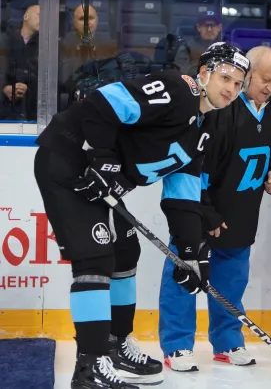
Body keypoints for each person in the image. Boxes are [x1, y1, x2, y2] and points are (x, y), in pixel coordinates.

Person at [33, 42, 250, 389]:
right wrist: (101, 157)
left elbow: (182, 199)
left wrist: (191, 255)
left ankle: (116, 345)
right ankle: (89, 369)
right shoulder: (177, 90)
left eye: (239, 84)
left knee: (125, 252)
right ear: (205, 72)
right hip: (67, 162)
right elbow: (104, 102)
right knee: (95, 258)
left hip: (97, 181)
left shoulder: (202, 130)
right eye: (226, 77)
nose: (231, 89)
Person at [159, 46, 271, 371]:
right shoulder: (221, 111)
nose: (270, 87)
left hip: (242, 214)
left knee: (232, 281)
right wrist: (207, 213)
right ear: (247, 77)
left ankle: (228, 342)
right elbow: (196, 168)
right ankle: (176, 346)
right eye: (264, 80)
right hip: (203, 214)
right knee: (183, 274)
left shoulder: (269, 110)